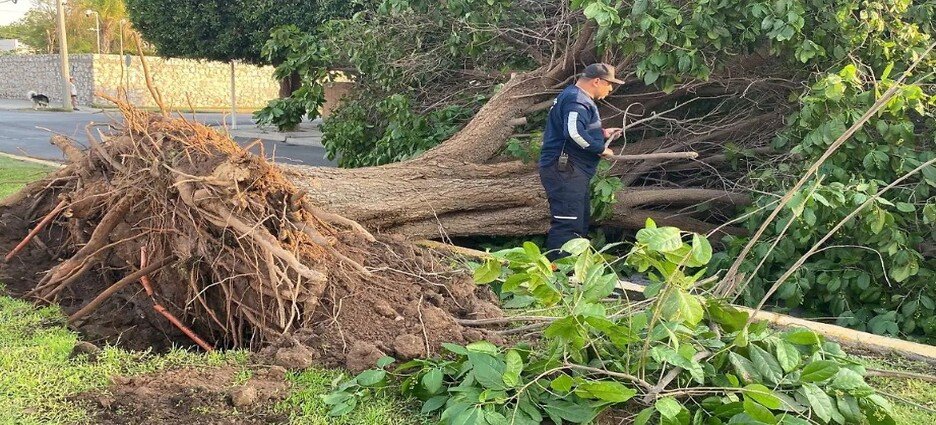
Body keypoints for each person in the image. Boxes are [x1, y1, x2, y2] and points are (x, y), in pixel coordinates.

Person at [538, 63, 623, 260]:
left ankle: (572, 269)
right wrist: (600, 148)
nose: (610, 88)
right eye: (609, 84)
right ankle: (558, 271)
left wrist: (602, 133)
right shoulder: (577, 100)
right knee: (568, 224)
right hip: (565, 168)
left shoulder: (574, 97)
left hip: (571, 170)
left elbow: (575, 127)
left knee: (579, 221)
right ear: (597, 81)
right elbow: (573, 132)